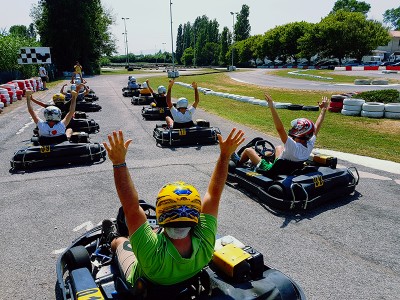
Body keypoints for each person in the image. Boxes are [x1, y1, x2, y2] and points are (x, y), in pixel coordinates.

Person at [101, 128, 245, 287]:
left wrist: (118, 162)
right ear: (196, 216)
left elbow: (131, 207)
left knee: (123, 243)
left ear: (160, 214)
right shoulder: (205, 242)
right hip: (187, 276)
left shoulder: (151, 251)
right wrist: (225, 155)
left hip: (143, 283)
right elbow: (214, 194)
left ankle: (111, 238)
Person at [232, 93, 330, 171]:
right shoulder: (309, 144)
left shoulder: (293, 146)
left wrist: (272, 107)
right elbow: (316, 127)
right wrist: (323, 110)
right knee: (279, 147)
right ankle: (268, 158)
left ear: (299, 133)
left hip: (273, 170)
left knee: (248, 150)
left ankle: (239, 162)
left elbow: (280, 129)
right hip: (290, 167)